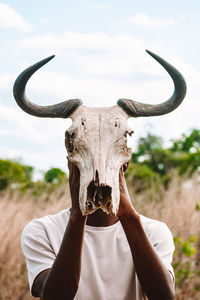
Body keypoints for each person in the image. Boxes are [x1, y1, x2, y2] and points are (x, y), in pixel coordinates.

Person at [21, 162, 175, 300]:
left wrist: (128, 214)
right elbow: (54, 296)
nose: (96, 169)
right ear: (71, 164)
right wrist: (79, 212)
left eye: (107, 161)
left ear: (124, 164)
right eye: (85, 159)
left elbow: (164, 296)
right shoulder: (42, 230)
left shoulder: (154, 232)